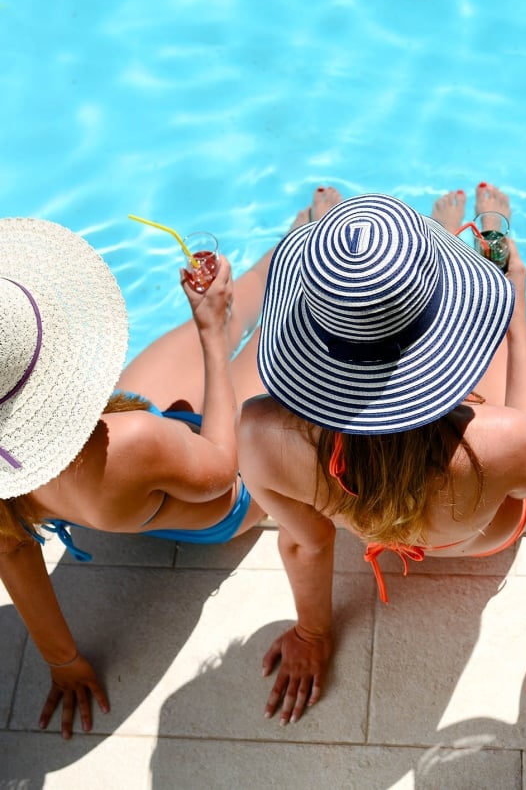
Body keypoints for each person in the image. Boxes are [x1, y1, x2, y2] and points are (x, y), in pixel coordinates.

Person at [0, 187, 342, 739]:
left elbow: (12, 551)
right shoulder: (130, 438)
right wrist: (211, 336)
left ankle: (292, 243)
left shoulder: (8, 473)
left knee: (232, 312)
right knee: (294, 333)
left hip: (112, 475)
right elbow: (217, 469)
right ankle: (321, 250)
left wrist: (64, 663)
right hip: (220, 491)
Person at [237, 184, 526, 725]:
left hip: (375, 532)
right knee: (498, 373)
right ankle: (480, 241)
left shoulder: (262, 435)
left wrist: (312, 633)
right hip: (477, 539)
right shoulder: (502, 439)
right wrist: (516, 324)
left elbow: (305, 544)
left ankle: (377, 289)